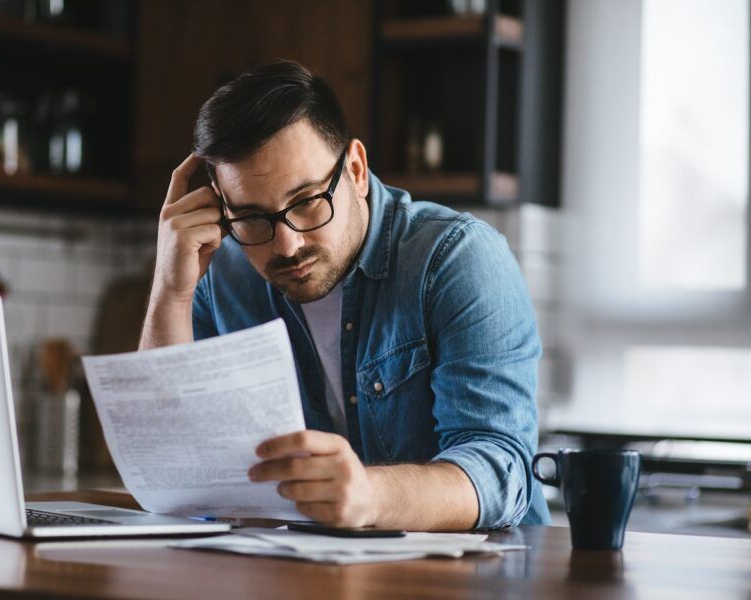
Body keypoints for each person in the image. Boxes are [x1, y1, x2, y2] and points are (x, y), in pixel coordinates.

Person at [140, 60, 551, 530]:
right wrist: (171, 291)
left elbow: (502, 470)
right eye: (252, 217)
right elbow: (168, 471)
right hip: (297, 573)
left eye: (308, 201)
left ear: (355, 170)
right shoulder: (223, 272)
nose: (287, 245)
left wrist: (369, 495)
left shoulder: (457, 260)